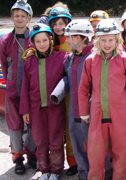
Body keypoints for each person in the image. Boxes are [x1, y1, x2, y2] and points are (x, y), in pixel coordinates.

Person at [78, 18, 126, 179]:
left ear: (117, 39)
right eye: (103, 40)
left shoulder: (125, 60)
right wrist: (84, 112)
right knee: (95, 150)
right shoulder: (91, 60)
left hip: (119, 112)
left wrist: (124, 105)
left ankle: (120, 176)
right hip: (97, 112)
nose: (107, 44)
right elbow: (83, 88)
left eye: (111, 39)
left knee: (121, 148)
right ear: (97, 41)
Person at [19, 23, 67, 180]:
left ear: (51, 40)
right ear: (33, 43)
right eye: (37, 41)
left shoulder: (61, 57)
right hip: (35, 109)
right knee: (40, 141)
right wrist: (25, 110)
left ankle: (56, 170)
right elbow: (25, 88)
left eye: (44, 40)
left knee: (55, 140)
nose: (41, 44)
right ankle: (44, 169)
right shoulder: (29, 62)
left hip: (55, 108)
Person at [50, 20, 94, 180]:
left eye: (69, 37)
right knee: (76, 144)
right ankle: (83, 173)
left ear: (81, 38)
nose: (66, 40)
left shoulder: (94, 58)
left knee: (94, 146)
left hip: (90, 113)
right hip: (73, 111)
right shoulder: (70, 58)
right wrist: (57, 93)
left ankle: (97, 174)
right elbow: (67, 79)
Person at [0, 0, 36, 174]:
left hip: (31, 92)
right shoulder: (6, 40)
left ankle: (32, 154)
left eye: (23, 15)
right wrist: (11, 84)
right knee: (15, 126)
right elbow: (5, 66)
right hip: (13, 91)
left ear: (29, 18)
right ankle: (18, 157)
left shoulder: (34, 39)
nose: (20, 18)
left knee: (33, 125)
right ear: (12, 17)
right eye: (16, 15)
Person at [48, 6, 78, 176]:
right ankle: (54, 161)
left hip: (70, 90)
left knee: (70, 127)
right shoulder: (48, 41)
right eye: (56, 23)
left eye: (63, 23)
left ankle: (73, 162)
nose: (59, 27)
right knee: (55, 128)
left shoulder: (73, 40)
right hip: (53, 89)